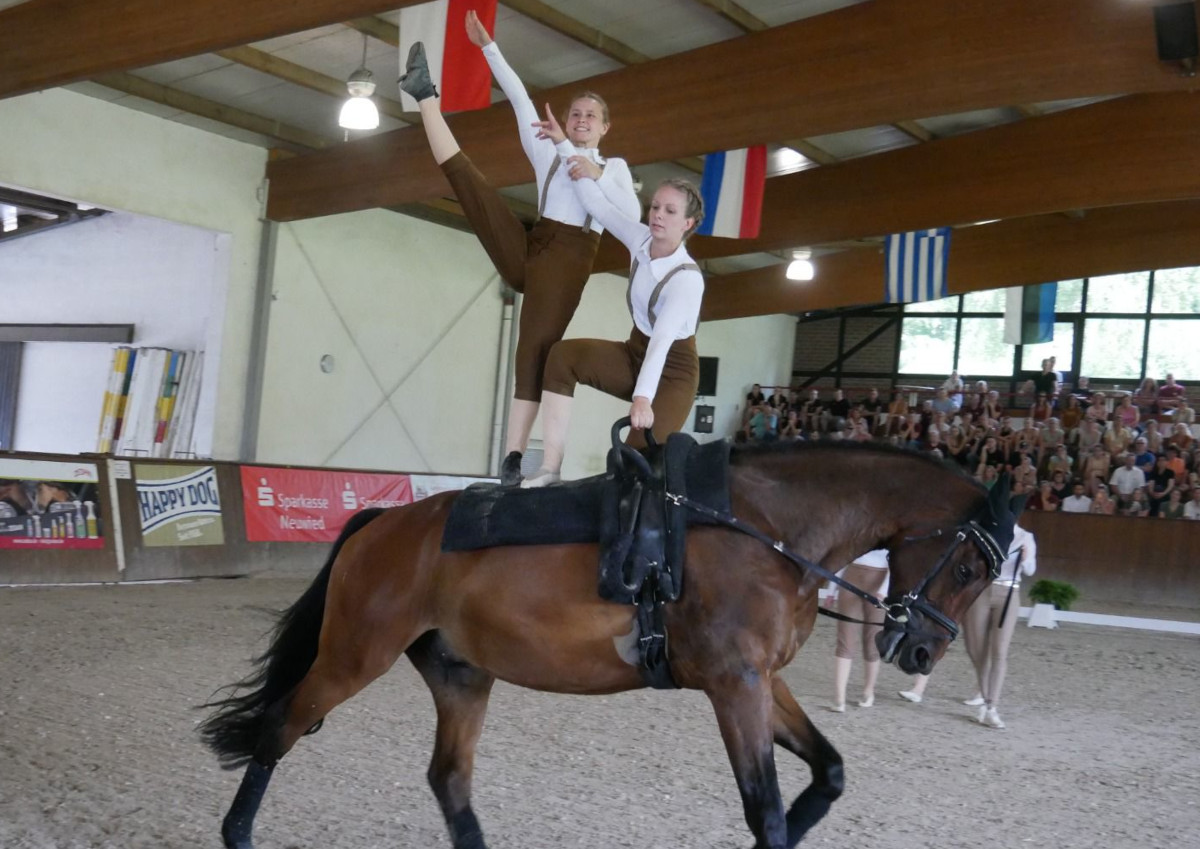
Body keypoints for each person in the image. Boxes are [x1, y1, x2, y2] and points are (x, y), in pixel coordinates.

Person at [401, 13, 641, 486]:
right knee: (471, 185)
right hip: (535, 243)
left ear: (605, 128)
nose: (581, 120)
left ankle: (514, 459)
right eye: (575, 113)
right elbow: (517, 97)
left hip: (569, 258)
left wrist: (579, 160)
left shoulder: (611, 168)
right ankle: (425, 96)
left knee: (531, 351)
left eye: (591, 115)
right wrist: (488, 46)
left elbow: (630, 214)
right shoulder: (549, 149)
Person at [519, 108, 704, 486]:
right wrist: (562, 143)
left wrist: (643, 398)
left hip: (671, 374)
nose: (657, 215)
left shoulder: (686, 280)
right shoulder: (639, 240)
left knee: (630, 466)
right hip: (634, 352)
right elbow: (598, 205)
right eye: (655, 206)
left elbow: (662, 344)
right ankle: (549, 469)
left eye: (670, 211)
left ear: (687, 224)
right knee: (561, 357)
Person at [962, 520, 1037, 729]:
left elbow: (1030, 570)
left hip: (1009, 591)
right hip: (983, 589)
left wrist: (1025, 558)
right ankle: (984, 697)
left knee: (999, 651)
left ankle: (991, 705)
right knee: (976, 649)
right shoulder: (987, 533)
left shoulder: (1025, 537)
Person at [829, 549, 889, 712]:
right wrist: (832, 589)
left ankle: (868, 690)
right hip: (851, 577)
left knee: (872, 641)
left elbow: (897, 560)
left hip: (880, 579)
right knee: (845, 639)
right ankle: (839, 697)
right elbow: (844, 555)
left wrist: (884, 590)